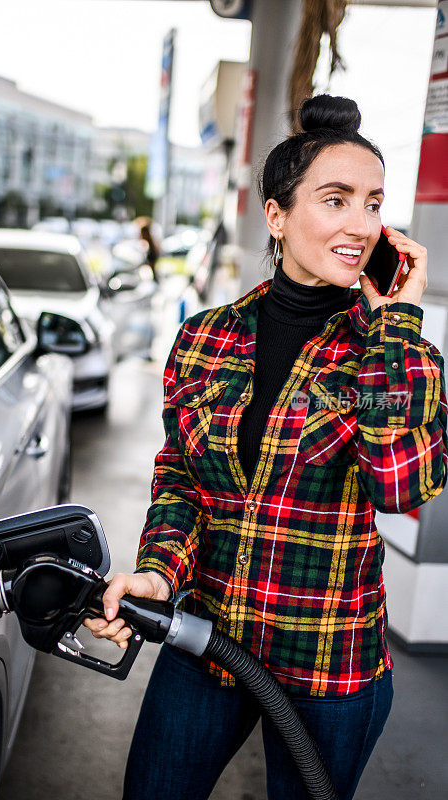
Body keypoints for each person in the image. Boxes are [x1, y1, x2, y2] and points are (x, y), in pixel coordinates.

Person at [84, 95, 448, 800]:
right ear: (276, 216)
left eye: (372, 204)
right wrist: (158, 574)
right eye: (335, 200)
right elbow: (180, 479)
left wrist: (396, 325)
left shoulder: (391, 350)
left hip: (326, 663)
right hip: (206, 641)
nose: (359, 224)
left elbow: (400, 485)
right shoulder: (207, 337)